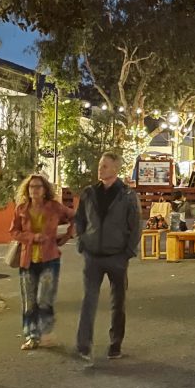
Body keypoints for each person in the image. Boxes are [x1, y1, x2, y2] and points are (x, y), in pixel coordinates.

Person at [75, 152, 141, 363]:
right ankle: (84, 345)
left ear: (115, 169)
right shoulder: (89, 193)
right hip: (92, 255)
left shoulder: (127, 195)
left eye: (105, 166)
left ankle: (115, 344)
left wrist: (127, 253)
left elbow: (135, 225)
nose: (100, 169)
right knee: (89, 300)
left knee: (117, 302)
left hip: (117, 256)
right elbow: (80, 219)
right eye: (100, 165)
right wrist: (82, 242)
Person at [9, 173, 75, 350]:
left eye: (38, 186)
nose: (34, 190)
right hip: (27, 260)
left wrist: (68, 234)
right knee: (29, 301)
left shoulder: (54, 207)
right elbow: (14, 231)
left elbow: (74, 216)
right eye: (31, 187)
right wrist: (32, 237)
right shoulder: (21, 209)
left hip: (50, 258)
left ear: (45, 190)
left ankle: (46, 332)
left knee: (44, 299)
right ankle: (31, 336)